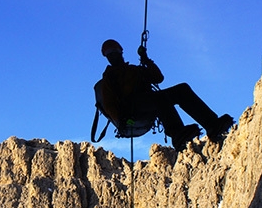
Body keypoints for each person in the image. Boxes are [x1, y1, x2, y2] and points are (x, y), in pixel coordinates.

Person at [98, 38, 233, 151]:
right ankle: (176, 132)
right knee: (160, 98)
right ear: (107, 58)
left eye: (115, 53)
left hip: (148, 104)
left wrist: (146, 60)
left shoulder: (134, 70)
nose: (114, 56)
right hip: (131, 111)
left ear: (121, 52)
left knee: (182, 90)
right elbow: (109, 105)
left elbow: (158, 78)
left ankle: (212, 124)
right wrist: (121, 119)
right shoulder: (109, 79)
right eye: (110, 55)